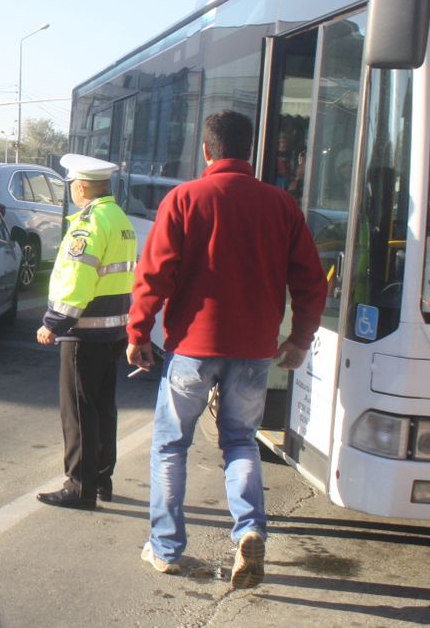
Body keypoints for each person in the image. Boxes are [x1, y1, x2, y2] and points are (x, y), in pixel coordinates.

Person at [127, 110, 326, 588]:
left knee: (171, 445)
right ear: (251, 151)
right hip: (255, 351)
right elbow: (311, 282)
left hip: (193, 349)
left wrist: (138, 333)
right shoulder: (281, 205)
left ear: (206, 150)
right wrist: (299, 339)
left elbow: (154, 275)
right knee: (240, 441)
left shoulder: (184, 199)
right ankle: (250, 529)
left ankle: (167, 548)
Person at [35, 154, 136, 510]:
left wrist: (53, 324)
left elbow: (79, 280)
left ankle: (79, 486)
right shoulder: (120, 218)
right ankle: (101, 479)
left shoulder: (88, 224)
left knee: (77, 411)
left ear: (79, 187)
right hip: (113, 330)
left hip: (84, 332)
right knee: (103, 408)